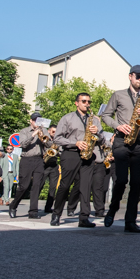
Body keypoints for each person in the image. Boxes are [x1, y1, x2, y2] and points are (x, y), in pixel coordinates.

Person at [102, 65, 140, 233]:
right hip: (122, 140)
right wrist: (118, 126)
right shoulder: (118, 95)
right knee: (121, 180)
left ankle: (130, 221)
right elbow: (105, 115)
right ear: (130, 76)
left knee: (136, 182)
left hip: (139, 142)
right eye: (138, 77)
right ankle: (112, 210)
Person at [51, 92, 104, 227]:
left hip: (88, 155)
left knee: (85, 187)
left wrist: (97, 133)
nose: (87, 104)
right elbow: (57, 138)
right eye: (84, 101)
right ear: (77, 103)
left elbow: (103, 139)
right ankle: (56, 214)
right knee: (65, 185)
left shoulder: (94, 120)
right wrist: (75, 143)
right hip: (71, 154)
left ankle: (84, 217)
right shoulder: (67, 118)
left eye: (89, 102)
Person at [9, 113, 51, 218]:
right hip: (26, 159)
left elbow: (50, 144)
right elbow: (23, 144)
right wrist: (33, 135)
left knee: (37, 185)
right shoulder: (24, 131)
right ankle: (13, 205)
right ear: (31, 121)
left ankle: (33, 211)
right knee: (24, 186)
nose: (37, 122)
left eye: (39, 120)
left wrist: (43, 137)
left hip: (39, 159)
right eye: (35, 120)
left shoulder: (44, 130)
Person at [90, 134, 113, 218]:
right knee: (82, 187)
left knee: (98, 188)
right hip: (88, 162)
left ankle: (99, 210)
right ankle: (72, 207)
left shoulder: (103, 138)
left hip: (99, 164)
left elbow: (108, 149)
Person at [42, 125, 60, 214]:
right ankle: (34, 206)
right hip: (44, 164)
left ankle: (48, 207)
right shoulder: (45, 139)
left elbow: (61, 152)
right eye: (53, 131)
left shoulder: (58, 141)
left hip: (54, 164)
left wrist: (57, 151)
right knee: (40, 185)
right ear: (49, 131)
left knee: (53, 187)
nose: (54, 133)